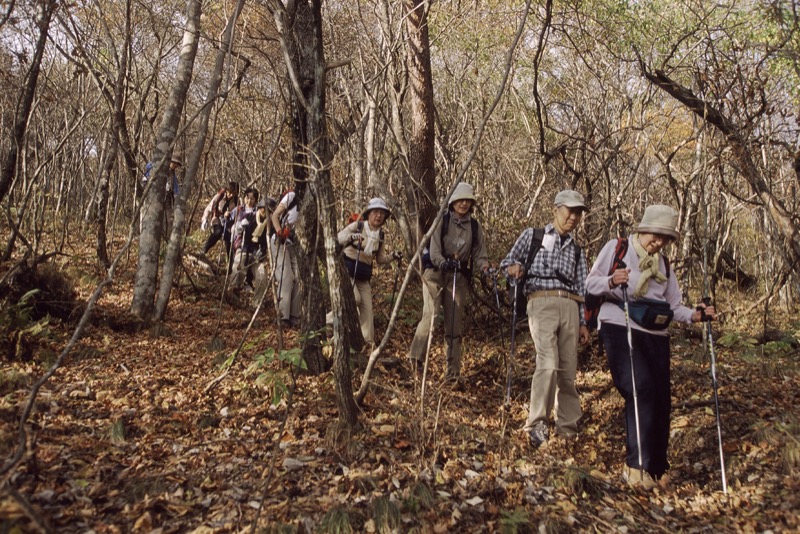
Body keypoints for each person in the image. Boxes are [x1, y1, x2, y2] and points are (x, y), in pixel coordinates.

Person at [585, 204, 716, 490]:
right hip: (620, 325)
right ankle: (635, 467)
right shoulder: (617, 248)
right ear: (643, 229)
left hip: (657, 334)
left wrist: (696, 315)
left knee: (660, 398)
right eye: (655, 235)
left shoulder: (664, 265)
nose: (658, 242)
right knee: (639, 387)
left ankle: (656, 469)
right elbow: (590, 284)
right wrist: (612, 280)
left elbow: (674, 306)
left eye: (665, 238)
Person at [500, 189, 590, 448]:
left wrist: (583, 322)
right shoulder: (533, 235)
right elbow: (506, 263)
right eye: (569, 211)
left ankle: (567, 428)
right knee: (547, 363)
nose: (573, 217)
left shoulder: (576, 250)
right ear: (556, 209)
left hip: (571, 307)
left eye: (578, 213)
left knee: (568, 370)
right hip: (541, 302)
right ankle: (537, 423)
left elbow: (581, 289)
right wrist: (513, 269)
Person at [408, 182, 490, 382]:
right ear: (452, 202)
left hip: (458, 278)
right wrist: (444, 263)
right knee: (431, 315)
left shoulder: (474, 226)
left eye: (467, 201)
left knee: (454, 327)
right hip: (436, 273)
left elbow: (480, 254)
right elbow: (434, 250)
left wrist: (485, 268)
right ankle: (415, 360)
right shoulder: (441, 221)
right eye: (460, 200)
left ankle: (452, 373)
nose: (463, 204)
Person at [333, 198, 399, 345]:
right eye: (375, 212)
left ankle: (367, 342)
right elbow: (337, 238)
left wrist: (393, 256)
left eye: (382, 213)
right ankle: (328, 321)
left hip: (363, 276)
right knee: (354, 299)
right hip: (347, 271)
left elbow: (380, 259)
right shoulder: (358, 226)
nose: (378, 216)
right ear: (368, 213)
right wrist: (351, 238)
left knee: (367, 310)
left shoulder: (380, 235)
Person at [270, 189, 301, 327]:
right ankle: (282, 317)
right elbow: (274, 216)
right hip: (280, 240)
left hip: (296, 244)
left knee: (300, 277)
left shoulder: (316, 203)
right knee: (286, 276)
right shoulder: (292, 196)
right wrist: (280, 232)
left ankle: (294, 316)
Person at [228, 187, 259, 299]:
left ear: (255, 200)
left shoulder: (258, 212)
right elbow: (232, 227)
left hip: (254, 247)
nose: (249, 201)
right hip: (241, 245)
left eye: (252, 198)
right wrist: (239, 226)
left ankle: (250, 288)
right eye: (247, 198)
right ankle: (232, 292)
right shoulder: (239, 210)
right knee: (237, 267)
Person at [200, 181, 240, 260]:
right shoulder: (220, 195)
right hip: (217, 218)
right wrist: (204, 219)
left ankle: (230, 264)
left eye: (234, 194)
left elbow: (238, 213)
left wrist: (230, 215)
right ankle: (203, 249)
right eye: (230, 193)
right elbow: (209, 207)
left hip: (229, 222)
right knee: (218, 232)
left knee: (229, 240)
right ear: (227, 190)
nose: (231, 195)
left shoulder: (237, 201)